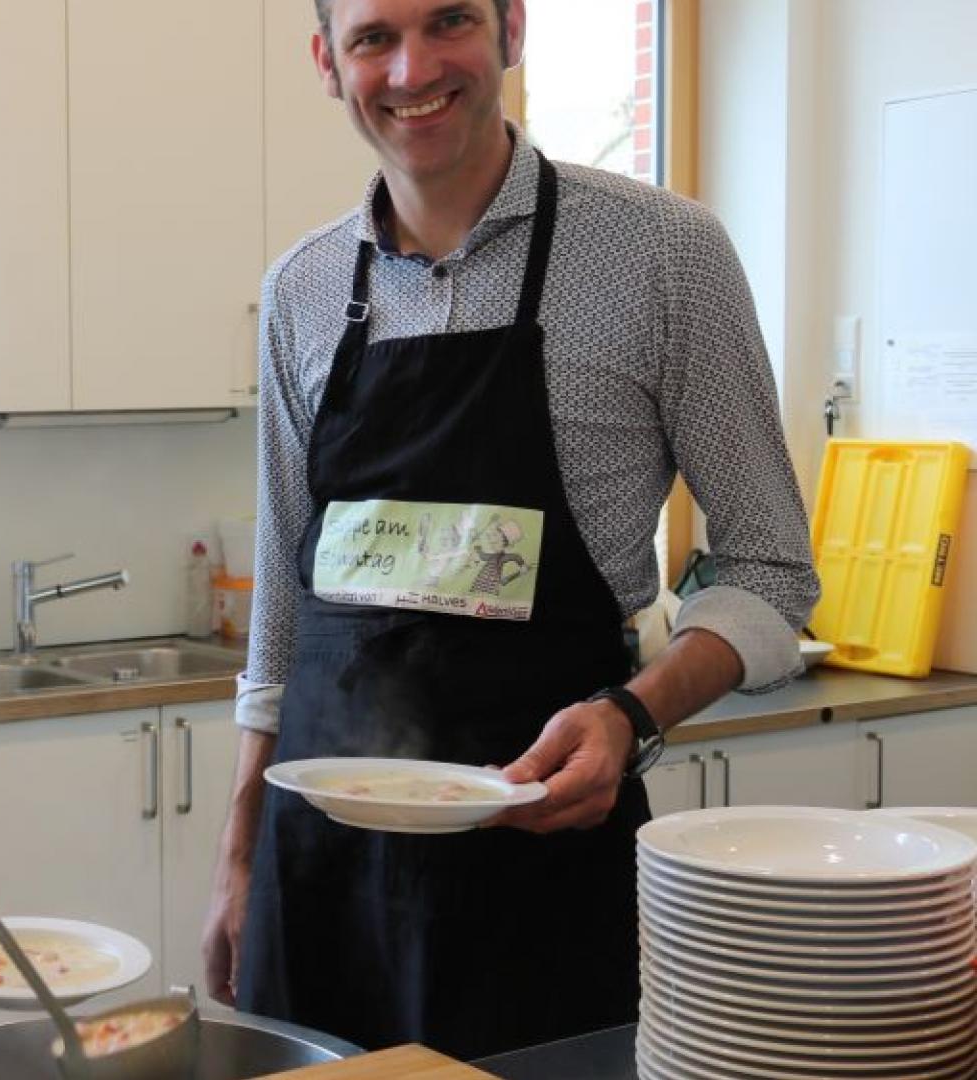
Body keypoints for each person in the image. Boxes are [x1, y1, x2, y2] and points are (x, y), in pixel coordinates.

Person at [200, 0, 818, 1059]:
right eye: (371, 39)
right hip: (324, 872)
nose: (413, 68)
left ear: (512, 29)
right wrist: (242, 848)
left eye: (449, 21)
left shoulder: (663, 255)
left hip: (547, 867)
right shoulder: (301, 291)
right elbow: (287, 603)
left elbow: (771, 567)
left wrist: (633, 714)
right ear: (327, 63)